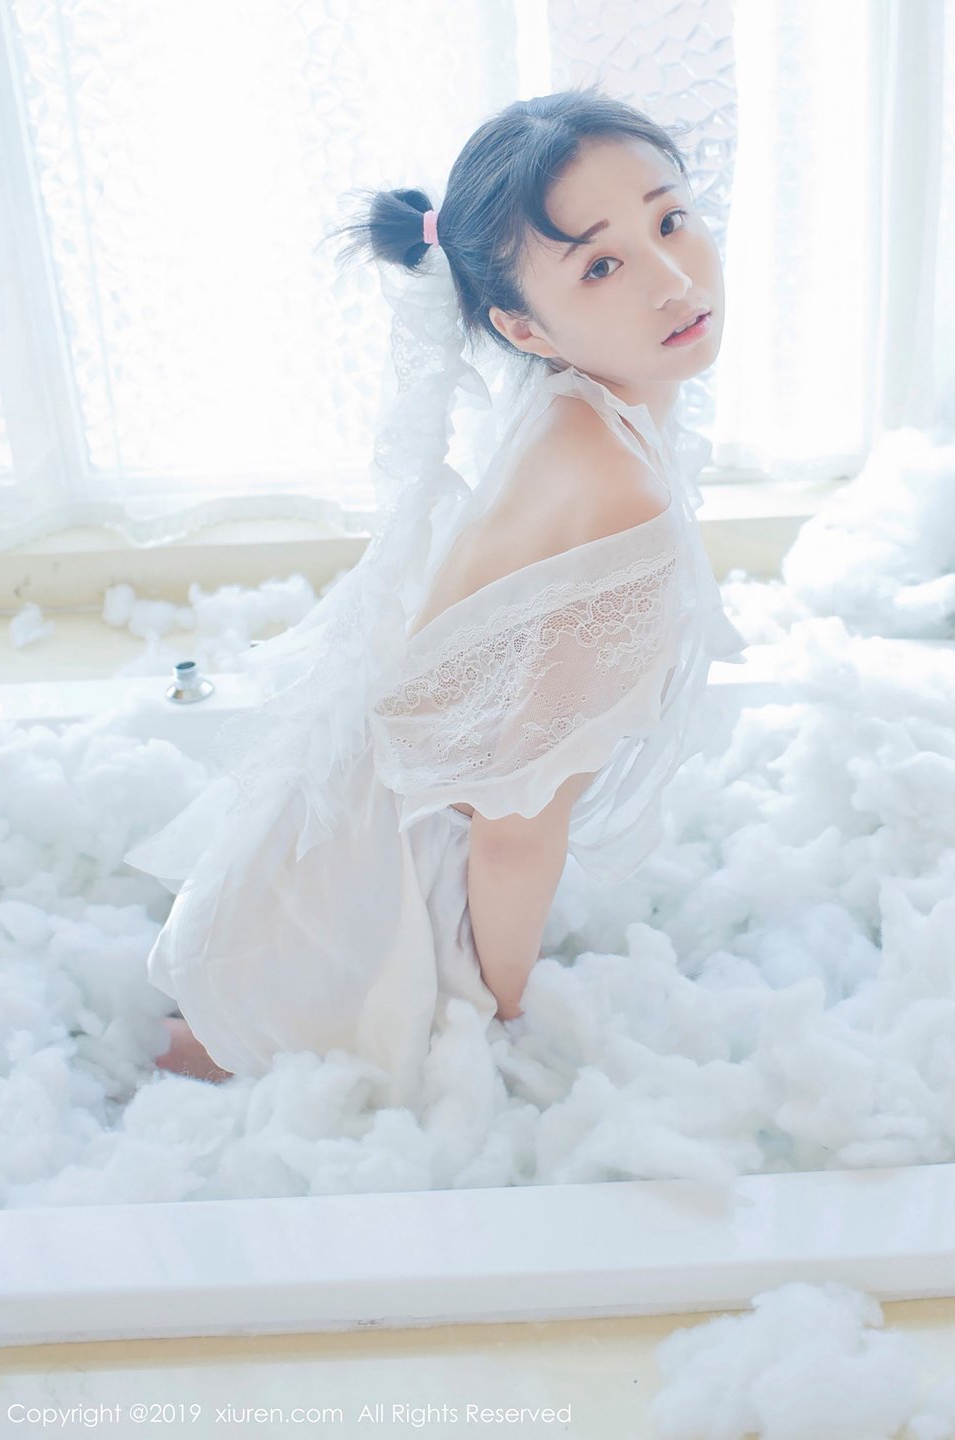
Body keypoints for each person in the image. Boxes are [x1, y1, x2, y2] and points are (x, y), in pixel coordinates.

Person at [125, 85, 746, 1103]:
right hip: (389, 889)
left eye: (671, 219)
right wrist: (501, 1012)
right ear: (524, 328)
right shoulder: (615, 487)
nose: (674, 280)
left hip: (356, 825)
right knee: (267, 1069)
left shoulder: (589, 406)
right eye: (601, 265)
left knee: (205, 1049)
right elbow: (516, 826)